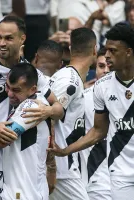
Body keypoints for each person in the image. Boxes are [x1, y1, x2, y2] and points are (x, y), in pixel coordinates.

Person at [0, 15, 63, 200]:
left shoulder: (30, 74)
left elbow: (59, 107)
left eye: (8, 38)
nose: (1, 43)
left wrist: (47, 111)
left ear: (22, 39)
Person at [48, 23, 134, 200]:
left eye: (113, 51)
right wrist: (66, 150)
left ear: (128, 52)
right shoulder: (102, 87)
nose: (107, 55)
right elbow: (98, 131)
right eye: (105, 50)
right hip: (121, 174)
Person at [49, 27, 97, 200]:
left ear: (70, 48)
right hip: (61, 169)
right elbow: (48, 116)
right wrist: (51, 165)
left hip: (64, 166)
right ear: (95, 50)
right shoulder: (69, 80)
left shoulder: (71, 77)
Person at [0, 63, 51, 200]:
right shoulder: (21, 103)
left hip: (27, 193)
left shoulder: (33, 106)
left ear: (32, 89)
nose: (10, 94)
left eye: (16, 90)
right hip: (18, 190)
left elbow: (1, 138)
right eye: (8, 87)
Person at [81, 48, 111, 200]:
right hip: (96, 182)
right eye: (101, 66)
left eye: (109, 66)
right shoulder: (83, 98)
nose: (105, 71)